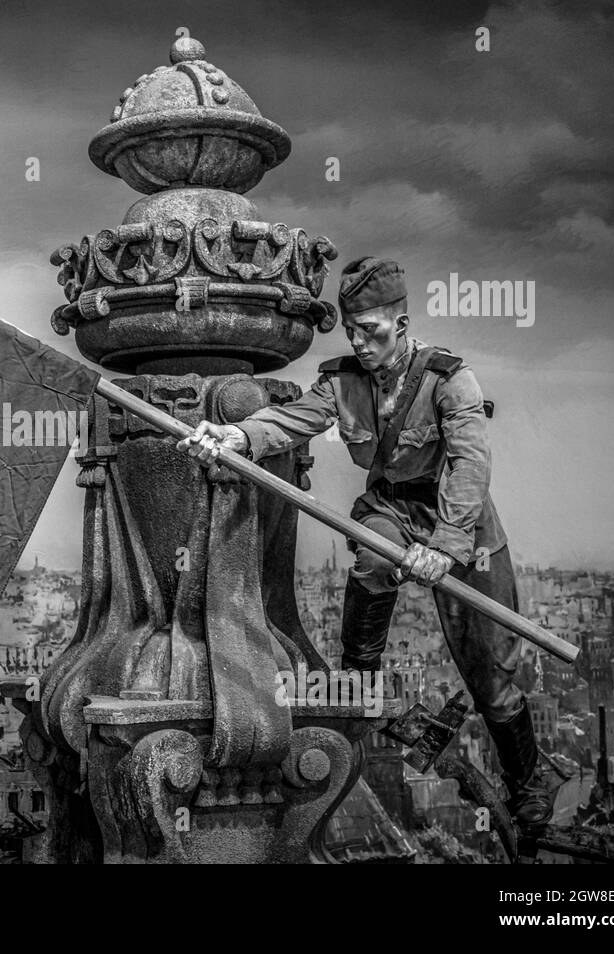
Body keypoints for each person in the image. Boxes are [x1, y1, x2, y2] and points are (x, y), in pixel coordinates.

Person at [177, 256, 556, 826]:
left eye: (371, 331)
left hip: (466, 526)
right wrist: (237, 433)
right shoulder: (343, 380)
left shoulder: (450, 380)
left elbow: (471, 465)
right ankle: (361, 680)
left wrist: (447, 546)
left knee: (492, 673)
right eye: (352, 330)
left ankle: (527, 782)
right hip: (392, 508)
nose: (360, 341)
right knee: (373, 555)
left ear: (400, 326)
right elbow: (294, 419)